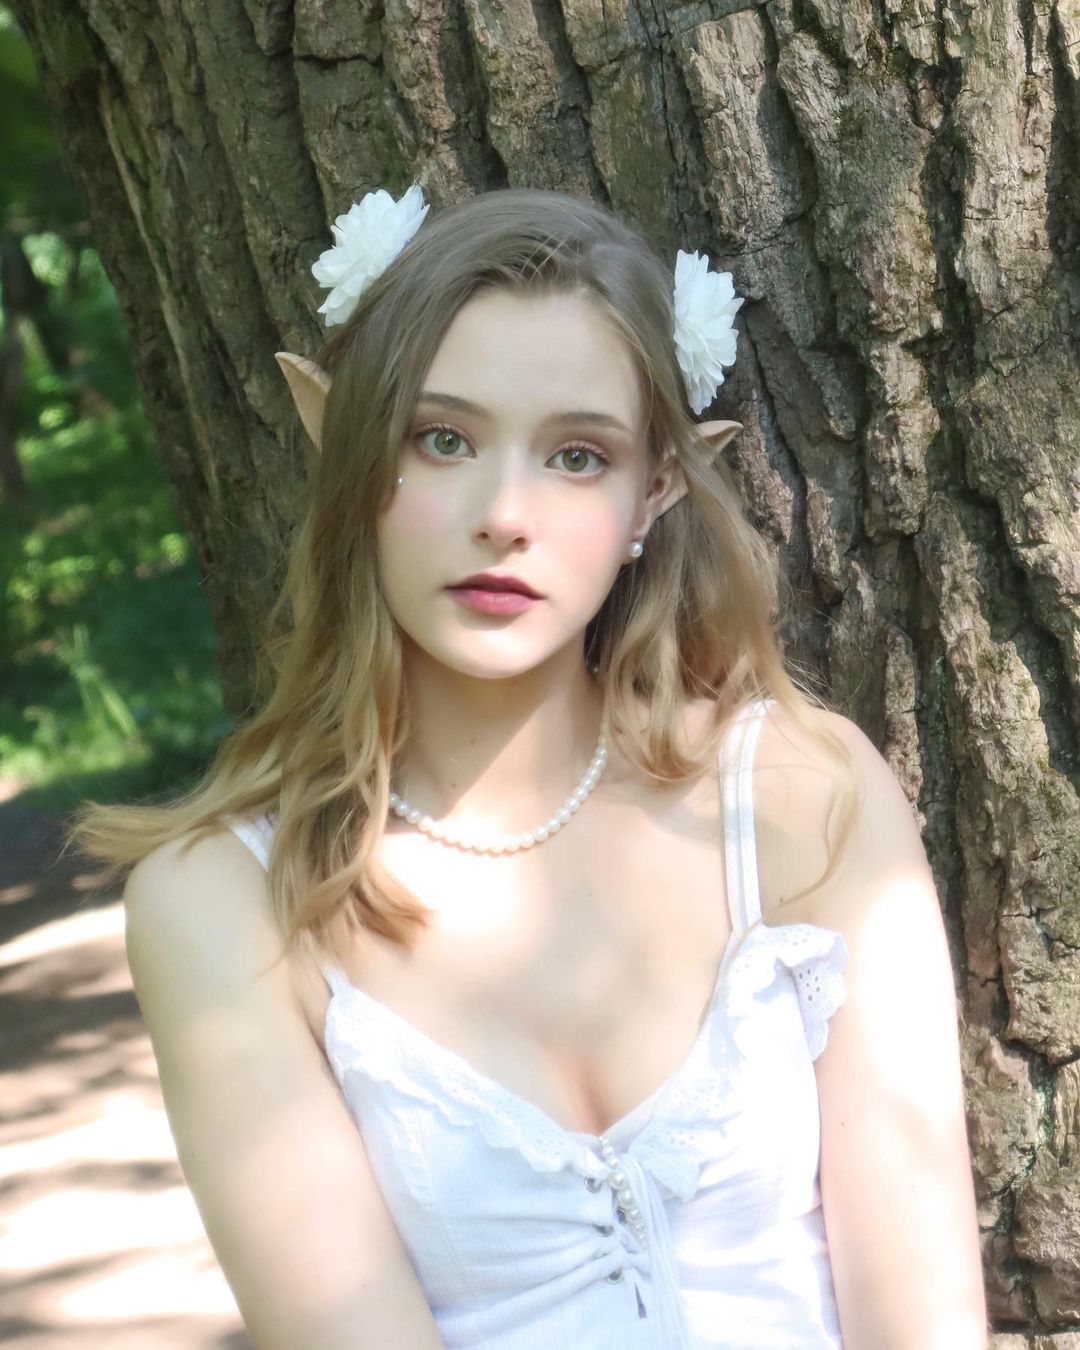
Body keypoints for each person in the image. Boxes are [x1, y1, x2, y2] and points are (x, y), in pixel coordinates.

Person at [68, 184, 987, 1348]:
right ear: (351, 453)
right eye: (442, 439)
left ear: (656, 490)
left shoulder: (807, 799)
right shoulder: (222, 903)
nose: (505, 513)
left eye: (576, 456)